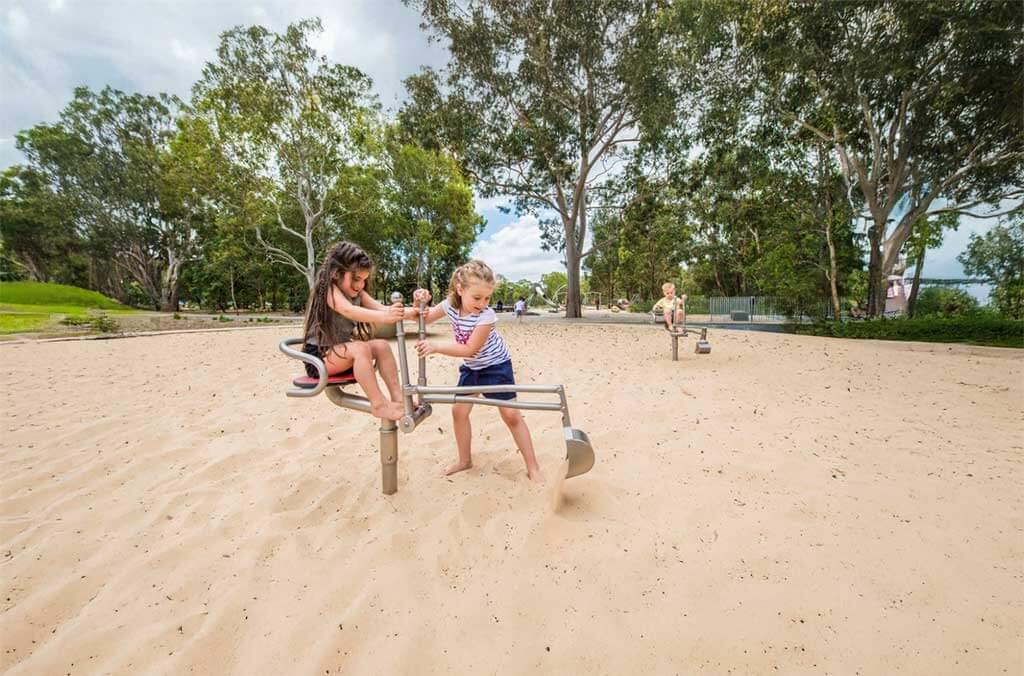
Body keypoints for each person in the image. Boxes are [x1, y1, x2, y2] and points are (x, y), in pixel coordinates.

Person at [413, 261, 543, 483]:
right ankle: (465, 460)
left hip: (496, 366)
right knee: (459, 412)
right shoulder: (449, 306)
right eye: (477, 298)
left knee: (511, 415)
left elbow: (469, 348)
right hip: (472, 368)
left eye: (487, 298)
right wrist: (419, 302)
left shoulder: (486, 316)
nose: (482, 303)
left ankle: (533, 467)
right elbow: (422, 319)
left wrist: (436, 347)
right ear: (460, 289)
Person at [302, 241, 419, 421]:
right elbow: (348, 310)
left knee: (381, 346)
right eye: (356, 279)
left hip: (340, 352)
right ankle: (378, 404)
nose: (361, 285)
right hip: (319, 358)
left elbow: (381, 308)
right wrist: (387, 318)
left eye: (364, 280)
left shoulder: (357, 293)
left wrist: (412, 313)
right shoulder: (328, 290)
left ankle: (398, 397)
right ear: (336, 273)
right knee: (360, 348)